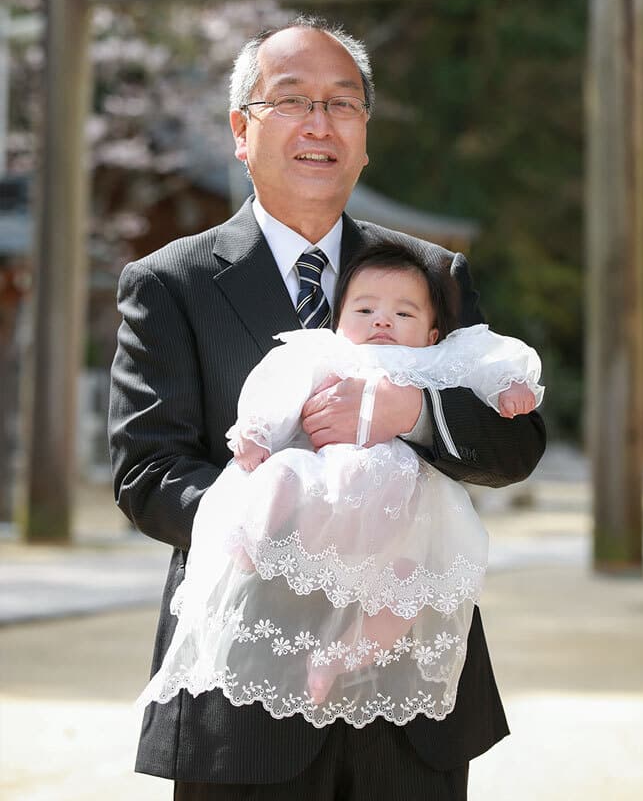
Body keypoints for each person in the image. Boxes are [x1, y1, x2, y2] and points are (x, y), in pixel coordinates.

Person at [109, 15, 546, 799]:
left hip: (410, 691)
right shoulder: (169, 282)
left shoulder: (431, 273)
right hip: (244, 683)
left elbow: (515, 447)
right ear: (241, 131)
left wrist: (407, 416)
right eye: (292, 101)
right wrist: (289, 532)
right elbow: (148, 471)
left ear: (367, 137)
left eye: (343, 104)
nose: (320, 124)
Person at [135, 242, 543, 724]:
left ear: (432, 333)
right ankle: (254, 542)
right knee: (281, 475)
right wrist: (256, 429)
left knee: (405, 590)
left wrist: (489, 392)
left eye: (402, 314)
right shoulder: (323, 351)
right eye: (365, 310)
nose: (383, 322)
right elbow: (273, 385)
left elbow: (488, 364)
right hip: (316, 500)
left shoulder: (434, 340)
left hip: (401, 521)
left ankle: (341, 657)